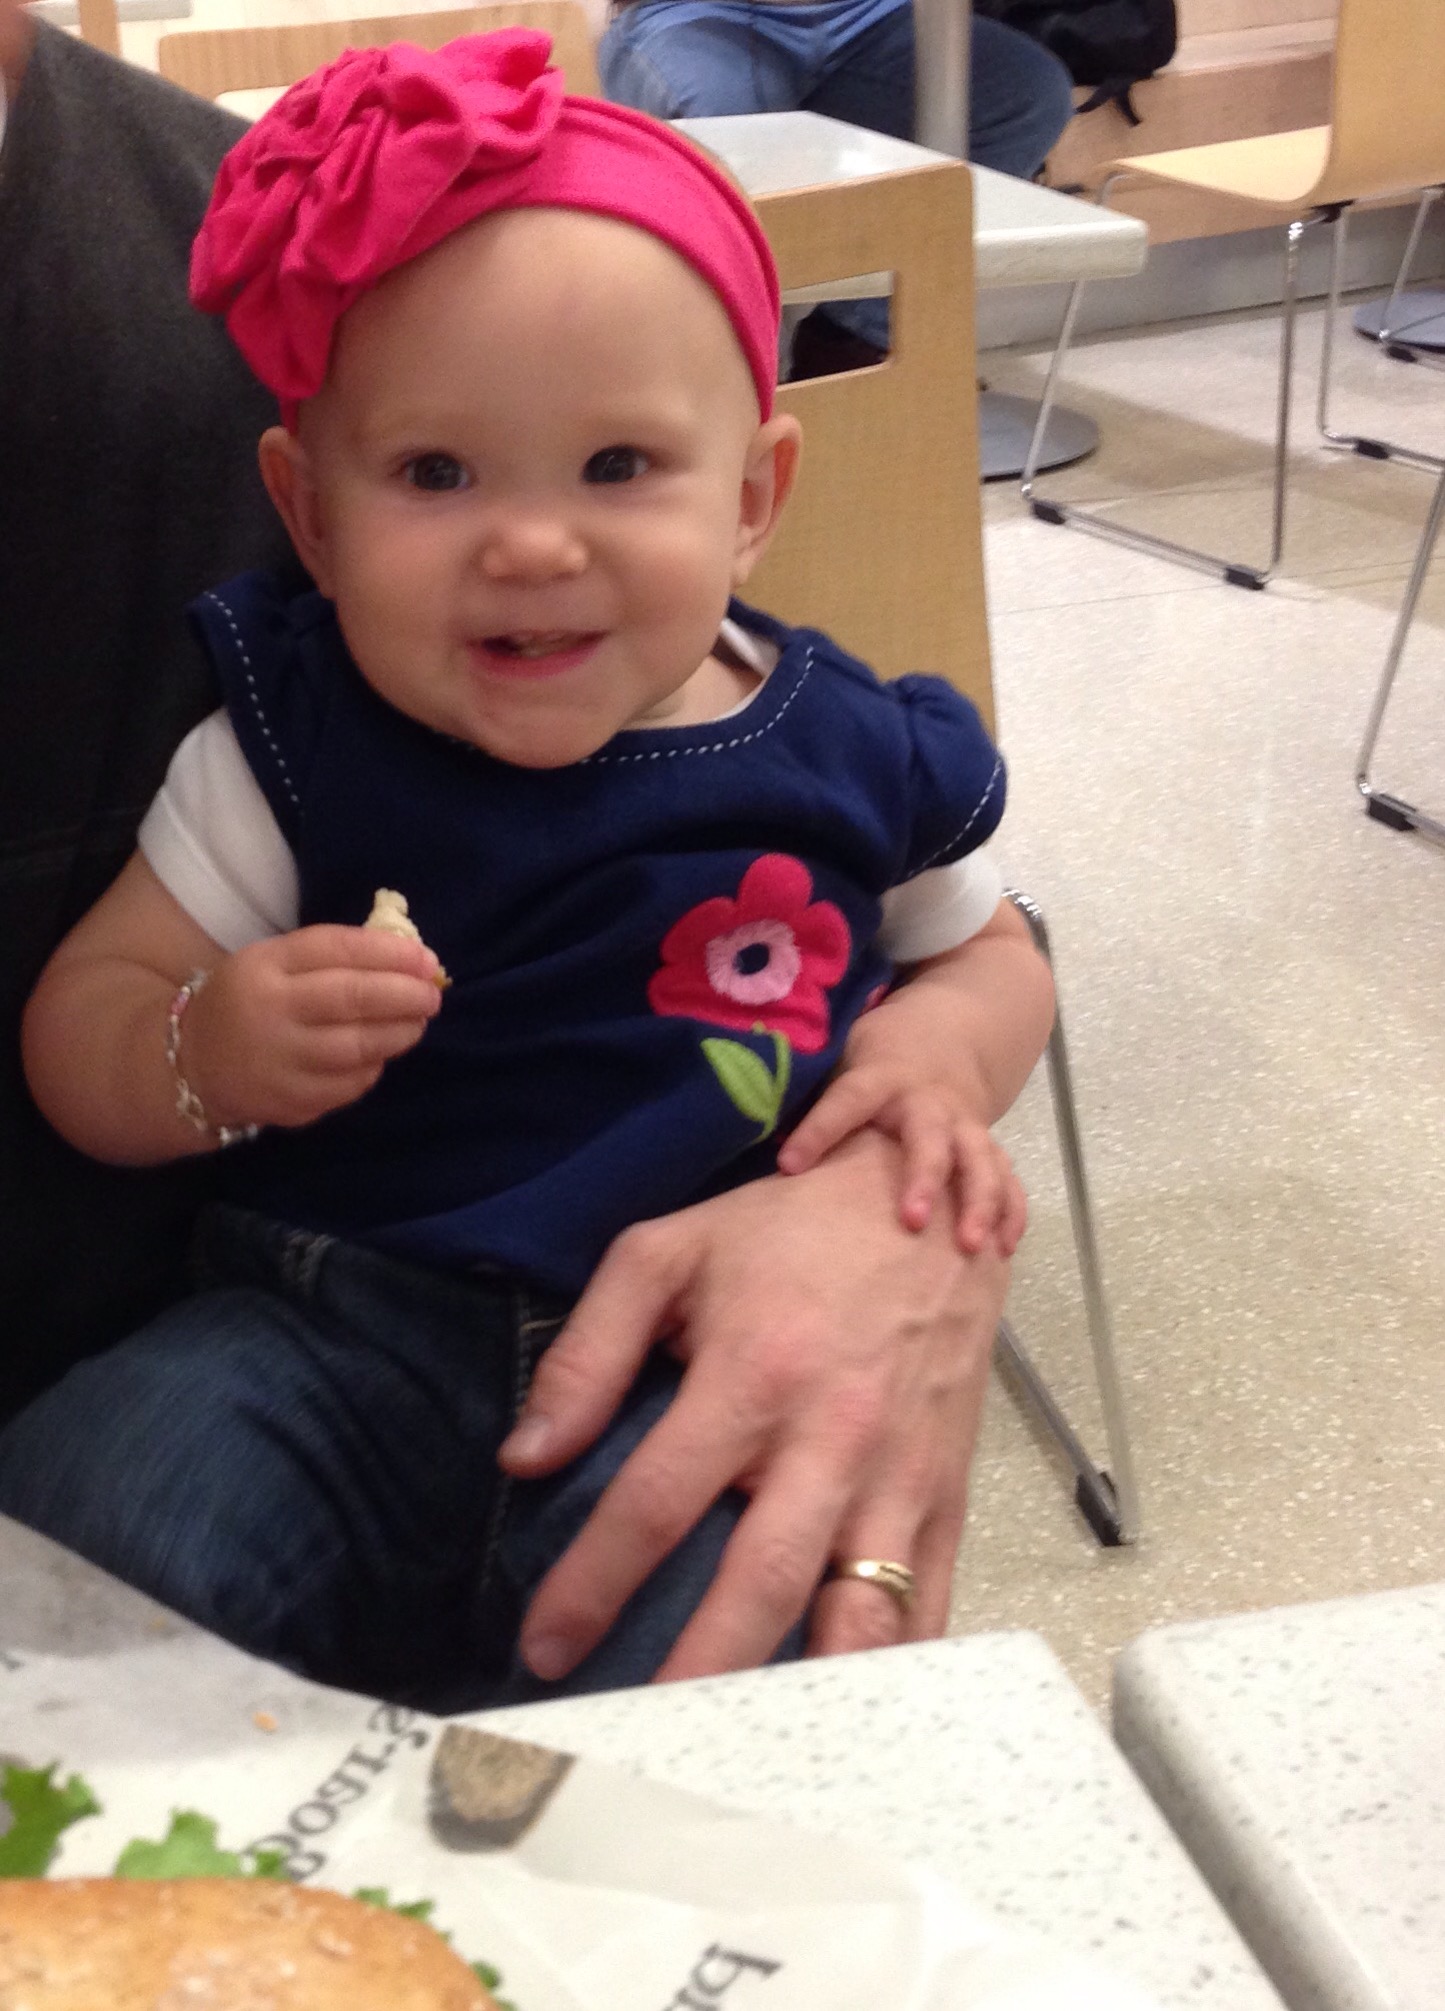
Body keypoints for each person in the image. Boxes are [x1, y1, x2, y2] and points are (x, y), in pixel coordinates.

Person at [0, 20, 1053, 1709]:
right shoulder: (293, 746)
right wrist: (207, 1045)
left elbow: (990, 955)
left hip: (696, 1341)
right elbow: (86, 1022)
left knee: (755, 1659)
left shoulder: (851, 750)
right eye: (435, 472)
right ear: (308, 511)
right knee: (82, 1514)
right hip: (317, 1335)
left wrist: (930, 1061)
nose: (533, 541)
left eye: (619, 466)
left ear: (755, 493)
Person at [597, 0, 1077, 370]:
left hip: (864, 14)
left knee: (1025, 93)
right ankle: (728, 378)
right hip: (698, 14)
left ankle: (851, 336)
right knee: (734, 140)